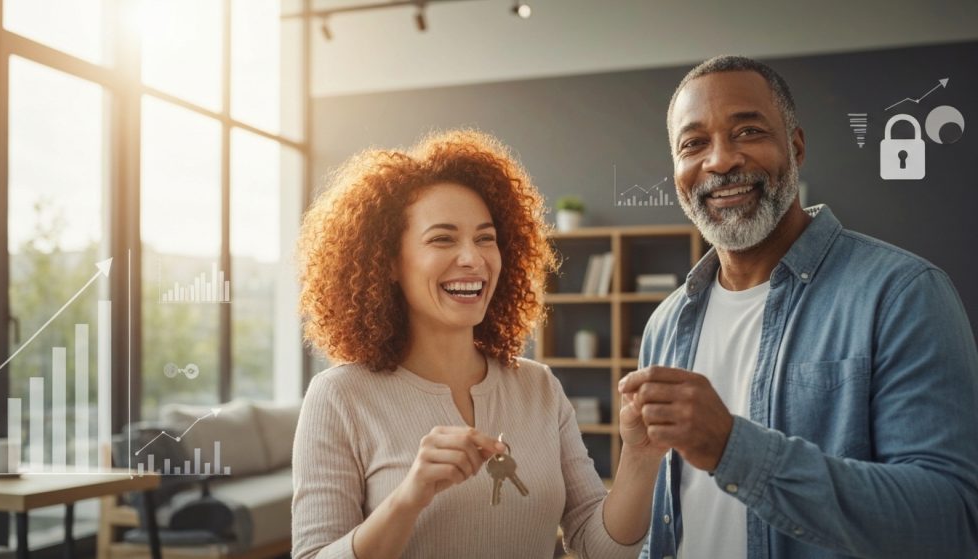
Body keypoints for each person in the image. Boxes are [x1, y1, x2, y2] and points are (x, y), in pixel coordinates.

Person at [618, 55, 978, 558]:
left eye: (746, 131)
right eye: (693, 143)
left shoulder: (903, 294)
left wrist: (732, 449)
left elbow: (950, 522)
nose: (720, 160)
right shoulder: (666, 322)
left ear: (797, 146)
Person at [292, 130, 662, 559]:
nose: (473, 258)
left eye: (485, 238)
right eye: (443, 239)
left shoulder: (539, 386)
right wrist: (409, 497)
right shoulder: (340, 397)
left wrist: (640, 455)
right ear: (389, 262)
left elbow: (600, 548)